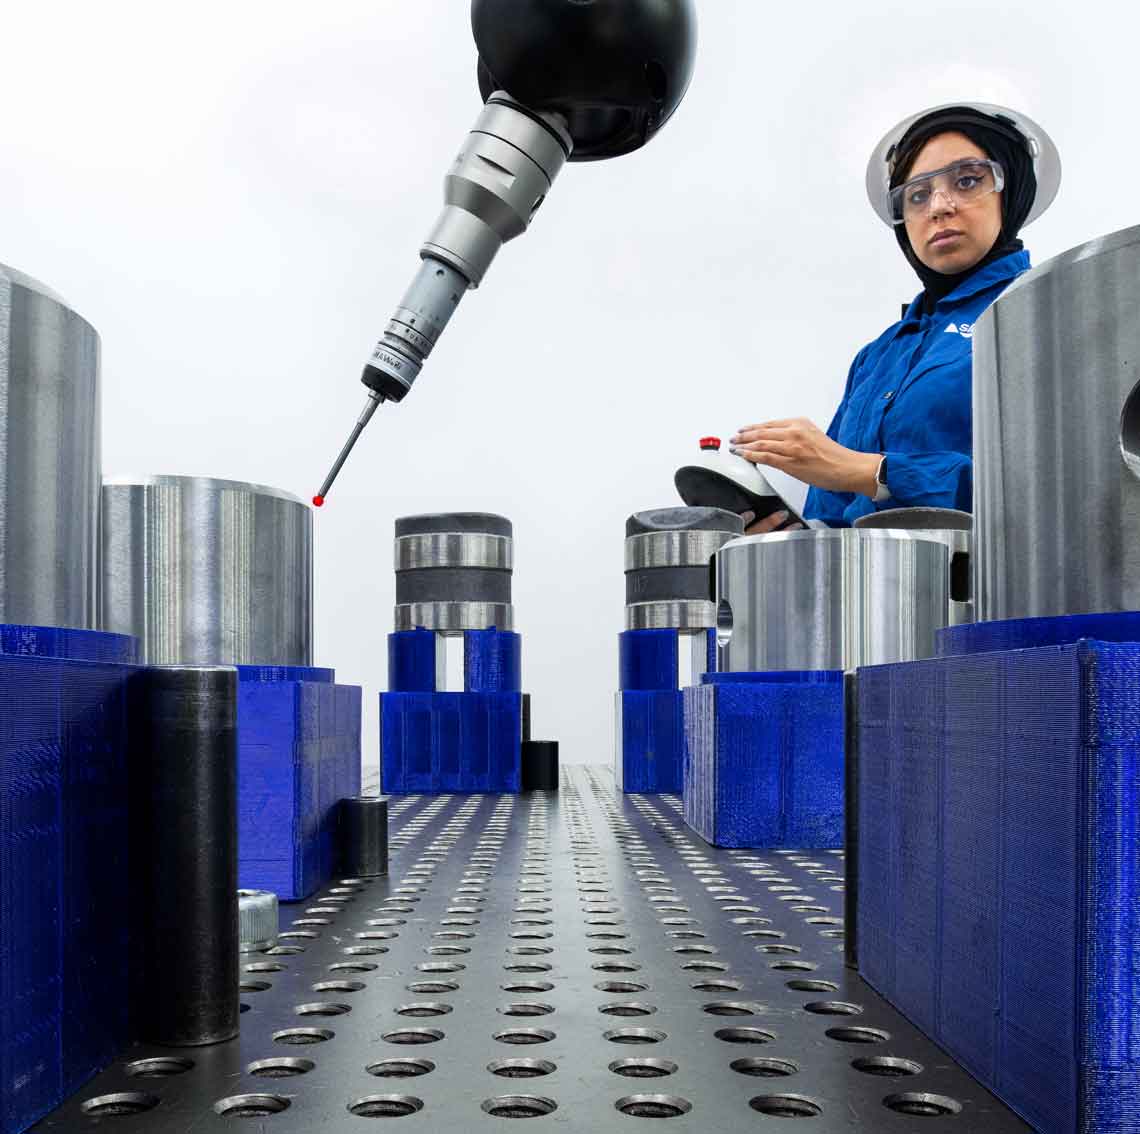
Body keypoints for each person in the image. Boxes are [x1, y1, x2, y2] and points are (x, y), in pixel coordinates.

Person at [730, 103, 1060, 532]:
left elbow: (1054, 487)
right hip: (872, 591)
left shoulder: (1044, 313)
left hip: (999, 593)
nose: (939, 207)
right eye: (917, 194)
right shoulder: (877, 357)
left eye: (967, 181)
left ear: (1009, 192)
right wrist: (792, 538)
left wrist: (873, 472)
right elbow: (832, 508)